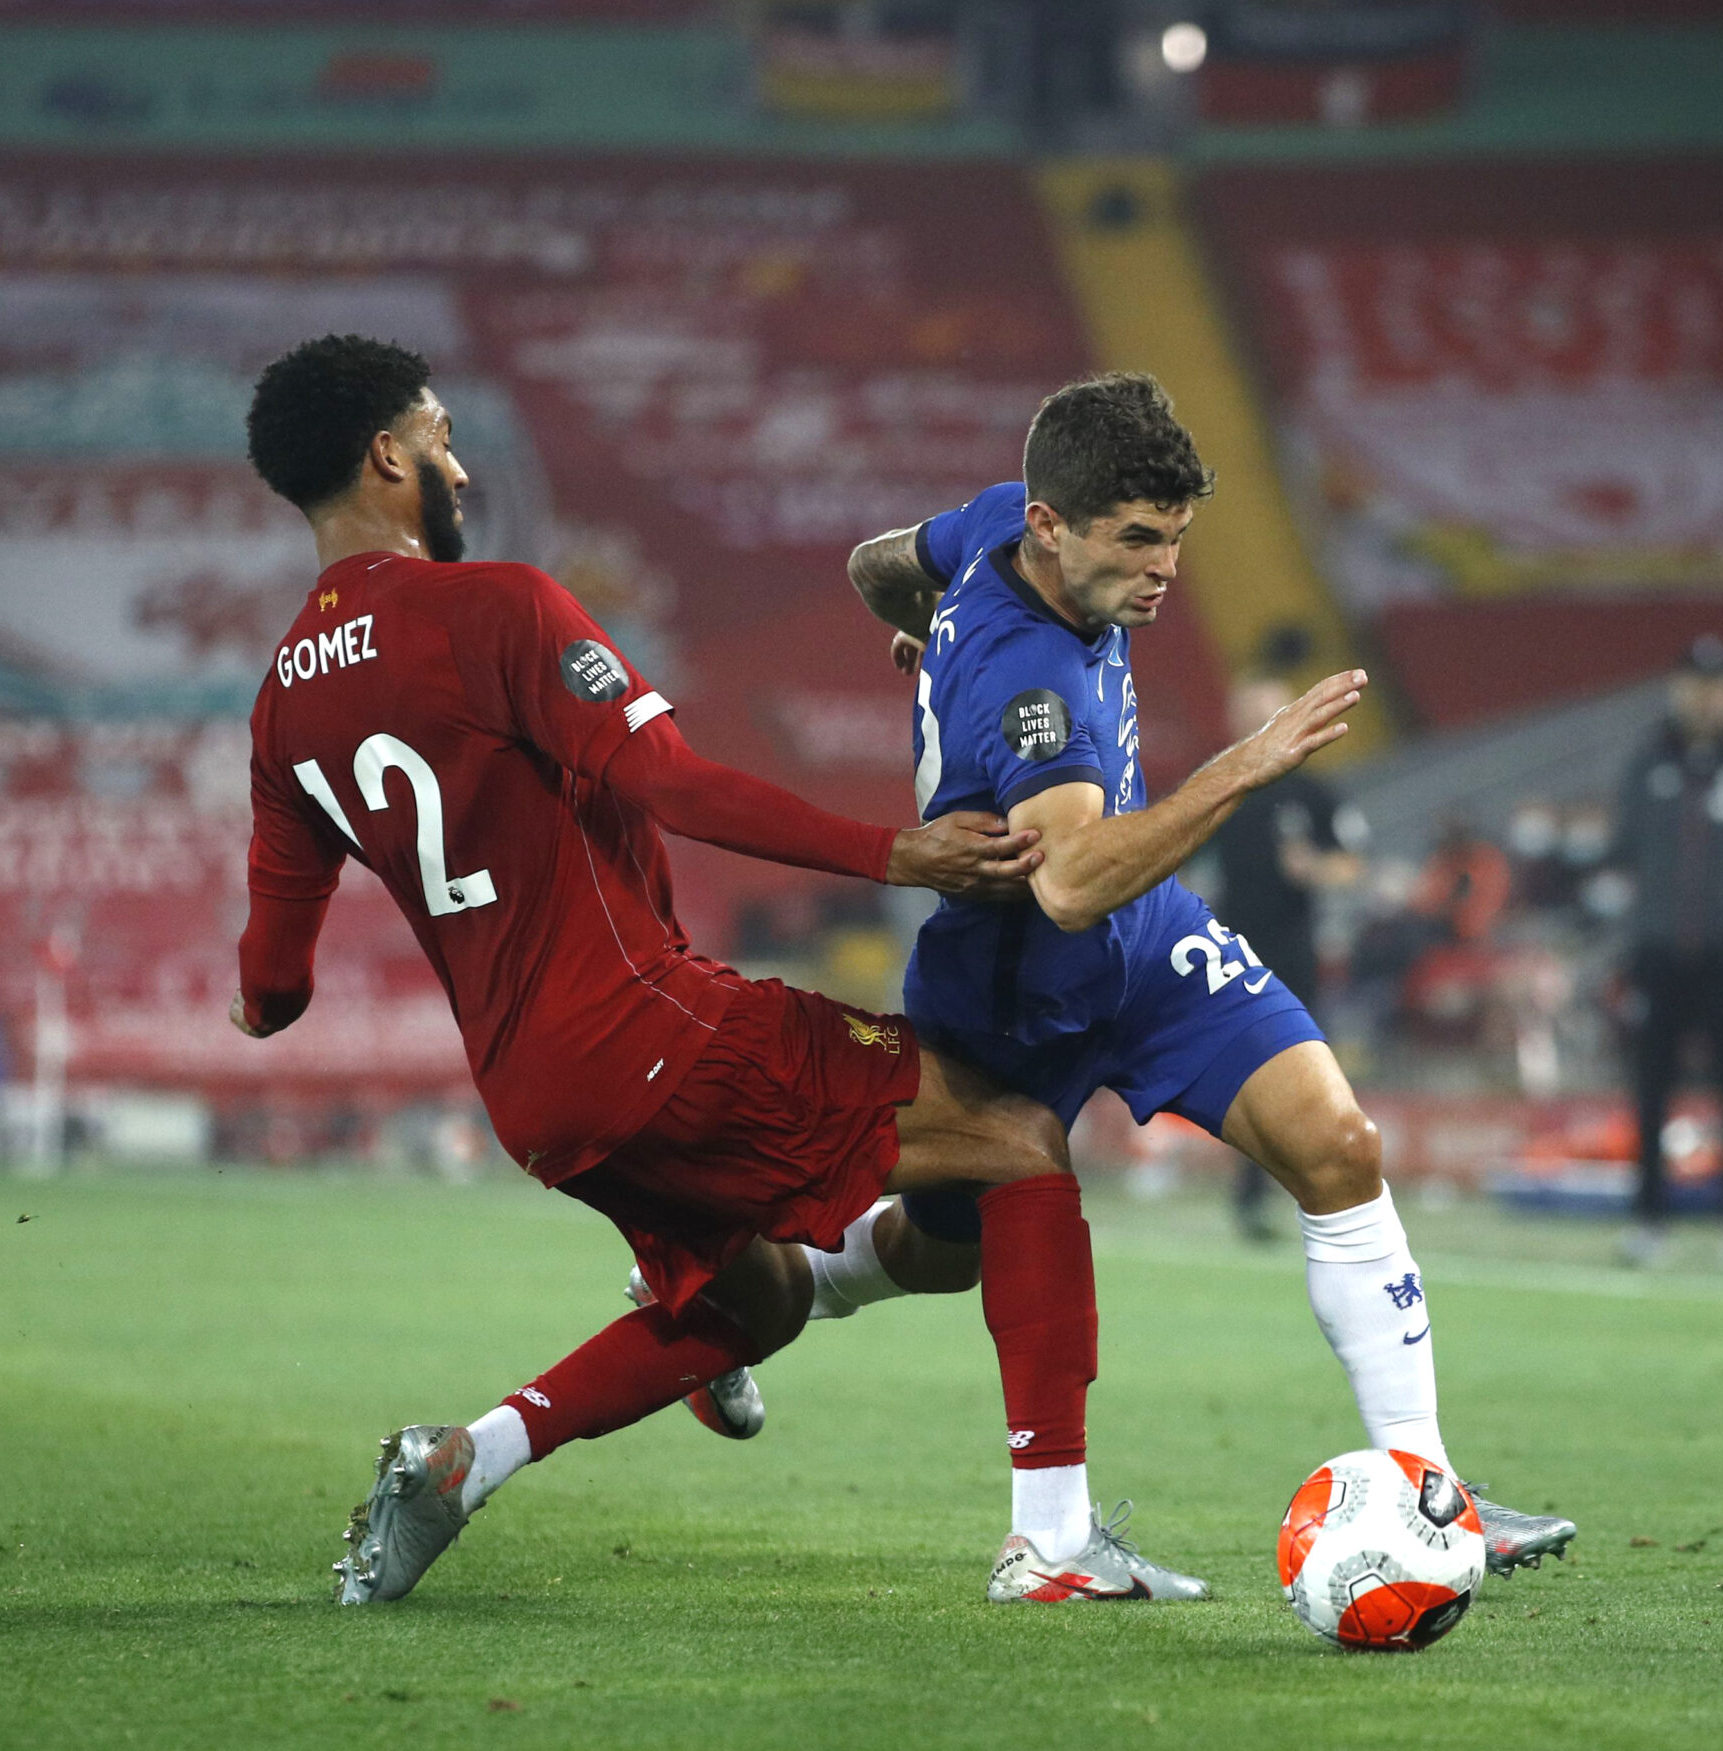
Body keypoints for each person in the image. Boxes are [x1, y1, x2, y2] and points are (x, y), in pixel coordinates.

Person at [232, 335, 1199, 1608]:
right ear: (388, 454)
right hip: (650, 1025)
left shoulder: (280, 707)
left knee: (762, 1299)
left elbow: (272, 987)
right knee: (1016, 1139)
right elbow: (673, 785)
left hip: (533, 1100)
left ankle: (462, 1462)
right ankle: (1055, 1541)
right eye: (444, 437)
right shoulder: (500, 606)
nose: (458, 466)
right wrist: (889, 853)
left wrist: (272, 987)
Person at [830, 372, 1575, 1574]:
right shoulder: (1036, 685)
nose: (1163, 567)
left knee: (1339, 1144)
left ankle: (1429, 1490)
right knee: (939, 1247)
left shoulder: (984, 525)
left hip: (1147, 943)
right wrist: (1241, 768)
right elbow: (1068, 881)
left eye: (1174, 537)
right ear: (1050, 525)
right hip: (1018, 979)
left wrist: (923, 650)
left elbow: (874, 564)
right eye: (1136, 540)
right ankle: (811, 1281)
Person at [1609, 635, 1723, 1270]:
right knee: (1651, 1088)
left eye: (1716, 686)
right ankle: (1650, 1216)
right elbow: (1626, 846)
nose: (1705, 698)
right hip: (1656, 950)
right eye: (1693, 684)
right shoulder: (1646, 763)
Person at [1204, 673, 1365, 1240]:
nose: (1260, 724)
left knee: (1300, 1076)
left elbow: (1350, 864)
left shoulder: (1311, 792)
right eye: (1250, 712)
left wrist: (1313, 868)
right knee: (1242, 1075)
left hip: (1293, 953)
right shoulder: (1218, 785)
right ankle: (1250, 1196)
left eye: (1270, 711)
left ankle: (1316, 1190)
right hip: (1225, 953)